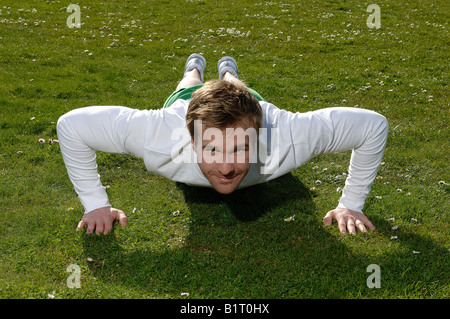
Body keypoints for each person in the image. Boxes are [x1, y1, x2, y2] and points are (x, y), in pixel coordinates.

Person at [57, 53, 389, 236]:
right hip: (185, 102)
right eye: (212, 149)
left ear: (259, 137)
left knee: (237, 88)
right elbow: (71, 125)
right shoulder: (156, 134)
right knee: (187, 87)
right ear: (191, 140)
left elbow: (373, 125)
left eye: (241, 148)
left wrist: (351, 204)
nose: (228, 168)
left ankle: (229, 72)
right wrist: (95, 204)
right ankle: (194, 66)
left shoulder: (288, 134)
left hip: (251, 103)